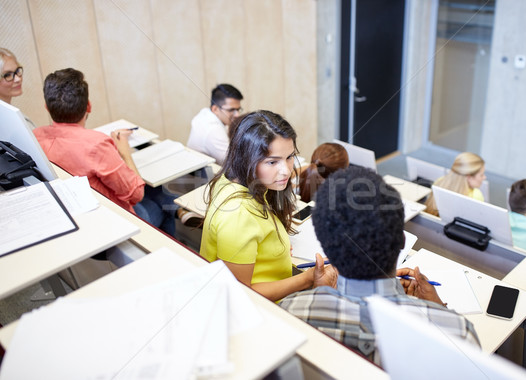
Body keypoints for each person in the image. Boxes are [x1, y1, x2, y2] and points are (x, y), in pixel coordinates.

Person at [280, 166, 480, 363]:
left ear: (327, 248)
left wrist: (321, 292)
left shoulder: (290, 311)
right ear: (402, 241)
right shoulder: (459, 334)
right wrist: (437, 308)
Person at [199, 110, 337, 302]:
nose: (286, 171)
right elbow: (240, 293)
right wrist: (307, 279)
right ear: (247, 159)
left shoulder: (233, 179)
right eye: (272, 162)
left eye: (290, 157)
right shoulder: (238, 215)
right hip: (262, 309)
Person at [33, 68, 176, 236]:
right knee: (163, 205)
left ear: (46, 108)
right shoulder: (97, 144)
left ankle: (177, 209)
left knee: (160, 194)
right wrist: (124, 152)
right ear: (89, 106)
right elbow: (136, 194)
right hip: (114, 224)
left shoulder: (35, 137)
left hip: (75, 217)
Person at [187, 84, 243, 165]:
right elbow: (234, 165)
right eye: (231, 110)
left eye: (238, 109)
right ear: (215, 109)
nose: (237, 115)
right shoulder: (214, 130)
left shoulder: (205, 112)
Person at [424, 152, 486, 216]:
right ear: (469, 177)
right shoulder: (476, 195)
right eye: (481, 175)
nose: (484, 177)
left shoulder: (440, 181)